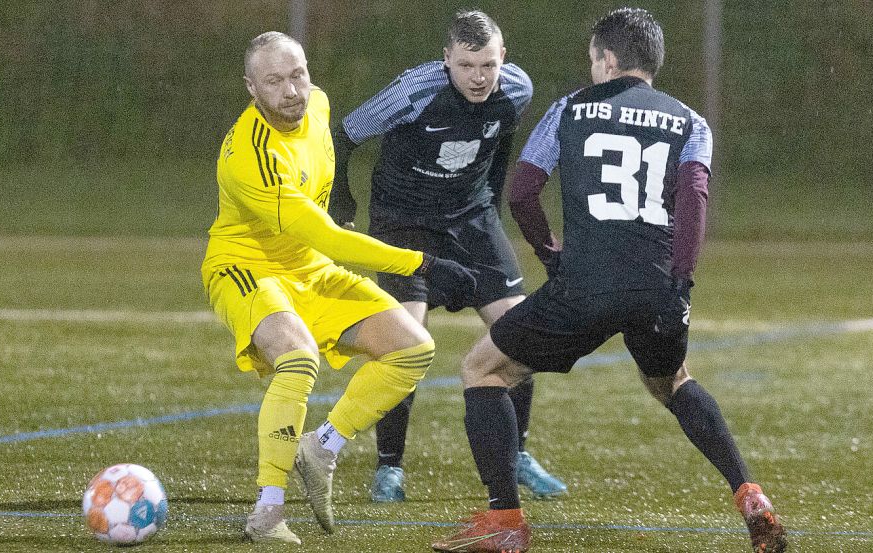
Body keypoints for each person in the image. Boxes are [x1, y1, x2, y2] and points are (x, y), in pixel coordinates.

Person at [433, 8, 787, 553]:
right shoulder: (691, 121)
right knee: (673, 381)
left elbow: (523, 190)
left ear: (608, 59)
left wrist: (550, 253)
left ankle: (505, 520)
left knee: (483, 369)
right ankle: (750, 495)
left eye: (594, 58)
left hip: (585, 283)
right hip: (656, 287)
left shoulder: (570, 109)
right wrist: (680, 282)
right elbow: (693, 200)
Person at [201, 31, 479, 545]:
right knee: (298, 359)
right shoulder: (251, 156)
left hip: (310, 268)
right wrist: (424, 263)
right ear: (251, 88)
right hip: (247, 267)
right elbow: (328, 237)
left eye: (298, 74)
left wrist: (340, 198)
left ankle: (322, 447)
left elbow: (326, 206)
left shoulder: (320, 106)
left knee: (412, 349)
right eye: (274, 81)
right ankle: (267, 509)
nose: (291, 91)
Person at [329, 10, 566, 503]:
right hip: (404, 222)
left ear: (503, 59)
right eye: (466, 66)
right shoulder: (412, 92)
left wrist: (490, 207)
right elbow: (344, 134)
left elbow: (500, 143)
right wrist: (341, 199)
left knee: (520, 331)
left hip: (471, 218)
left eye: (488, 65)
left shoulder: (517, 90)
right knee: (407, 342)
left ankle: (516, 455)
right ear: (446, 61)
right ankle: (389, 468)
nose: (479, 78)